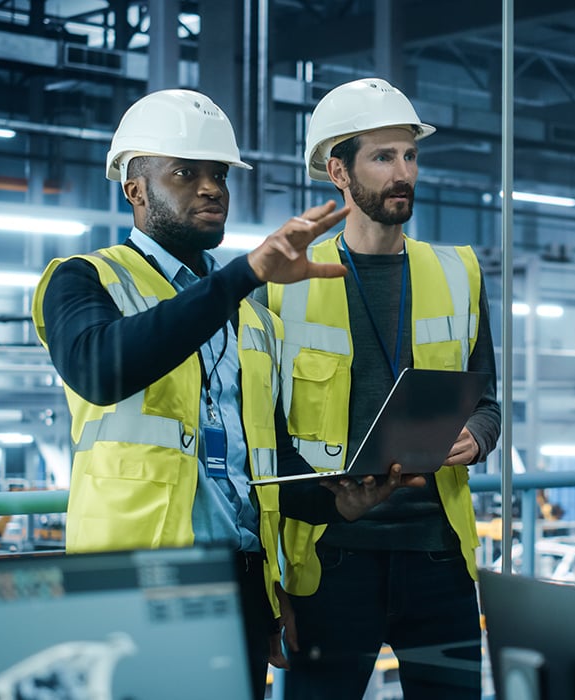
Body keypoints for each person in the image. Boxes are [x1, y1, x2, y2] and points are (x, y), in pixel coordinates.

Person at [30, 88, 420, 700]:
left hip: (239, 584)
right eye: (185, 173)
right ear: (135, 188)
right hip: (134, 585)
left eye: (219, 175)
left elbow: (264, 461)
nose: (210, 187)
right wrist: (245, 273)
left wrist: (336, 502)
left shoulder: (255, 318)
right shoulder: (84, 278)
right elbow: (101, 370)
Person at [258, 78, 502, 699]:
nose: (404, 173)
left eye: (411, 156)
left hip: (437, 560)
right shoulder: (284, 285)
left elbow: (488, 403)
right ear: (339, 171)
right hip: (330, 560)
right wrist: (266, 580)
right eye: (384, 157)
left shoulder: (459, 272)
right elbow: (261, 435)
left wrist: (476, 437)